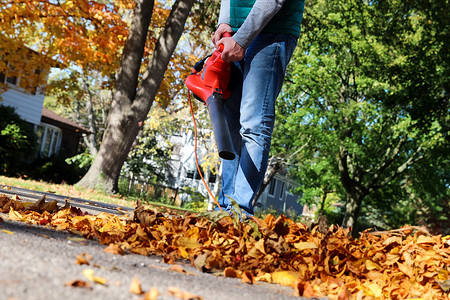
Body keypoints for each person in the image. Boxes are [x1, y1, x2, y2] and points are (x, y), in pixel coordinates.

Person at [212, 0, 305, 215]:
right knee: (231, 125)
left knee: (253, 124)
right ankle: (225, 209)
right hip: (234, 35)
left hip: (272, 31)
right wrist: (224, 22)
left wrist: (242, 39)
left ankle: (240, 212)